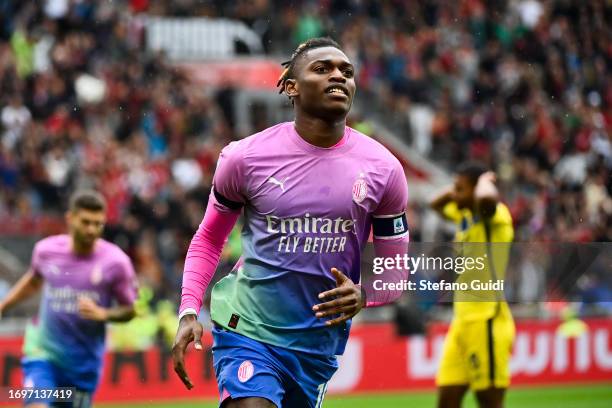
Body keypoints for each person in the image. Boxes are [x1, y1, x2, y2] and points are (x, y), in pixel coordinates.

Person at [172, 37, 410, 408]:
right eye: (322, 69)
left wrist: (365, 295)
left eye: (346, 71)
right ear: (290, 87)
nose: (338, 76)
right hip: (245, 327)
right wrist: (189, 309)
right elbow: (208, 238)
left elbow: (395, 271)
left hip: (315, 348)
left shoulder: (384, 169)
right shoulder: (245, 158)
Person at [0, 190, 138, 408]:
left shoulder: (116, 263)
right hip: (43, 354)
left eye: (97, 224)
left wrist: (103, 314)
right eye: (85, 222)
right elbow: (33, 281)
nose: (91, 229)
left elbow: (130, 310)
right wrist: (3, 306)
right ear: (70, 218)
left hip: (82, 367)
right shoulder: (46, 251)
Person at [430, 163, 515, 408]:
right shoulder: (464, 215)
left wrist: (485, 181)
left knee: (488, 402)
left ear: (476, 190)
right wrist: (458, 189)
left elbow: (487, 199)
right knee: (447, 400)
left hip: (486, 318)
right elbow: (434, 204)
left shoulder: (495, 215)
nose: (454, 194)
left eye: (460, 189)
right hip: (462, 321)